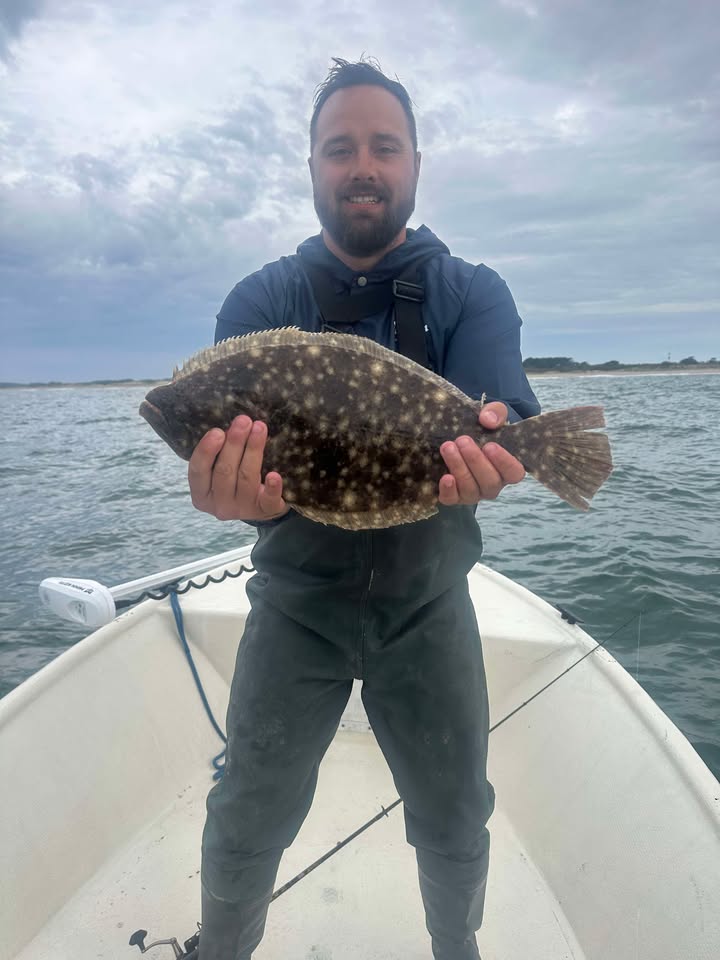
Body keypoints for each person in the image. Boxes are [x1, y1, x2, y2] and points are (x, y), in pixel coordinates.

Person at [190, 57, 540, 960]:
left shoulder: (471, 292)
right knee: (246, 813)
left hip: (430, 606)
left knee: (455, 816)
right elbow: (251, 470)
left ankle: (456, 948)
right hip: (295, 603)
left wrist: (502, 451)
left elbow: (500, 419)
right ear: (312, 166)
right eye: (339, 148)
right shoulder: (260, 302)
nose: (363, 166)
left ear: (415, 162)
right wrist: (229, 497)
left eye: (384, 146)